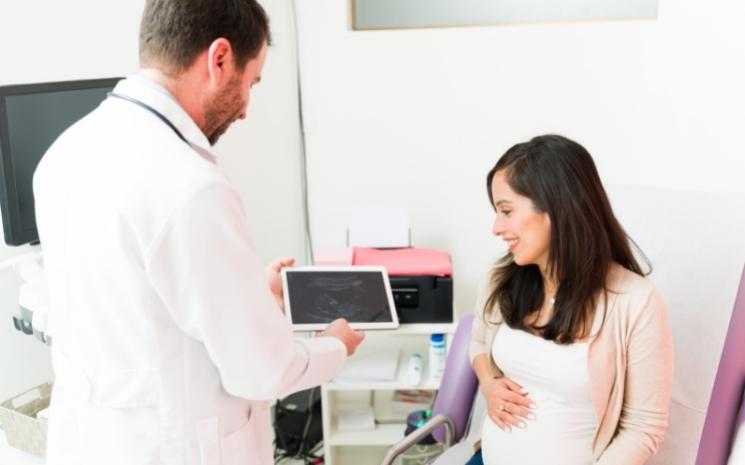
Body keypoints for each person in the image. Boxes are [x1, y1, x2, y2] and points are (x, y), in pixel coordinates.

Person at [33, 1, 364, 464]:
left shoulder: (63, 154)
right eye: (251, 83)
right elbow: (261, 370)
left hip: (94, 444)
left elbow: (140, 307)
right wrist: (334, 345)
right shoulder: (190, 186)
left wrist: (249, 293)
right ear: (220, 59)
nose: (245, 110)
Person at [466, 135, 673, 465]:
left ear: (556, 207)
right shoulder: (501, 277)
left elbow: (643, 429)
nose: (496, 227)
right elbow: (478, 341)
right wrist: (490, 384)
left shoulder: (634, 301)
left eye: (506, 211)